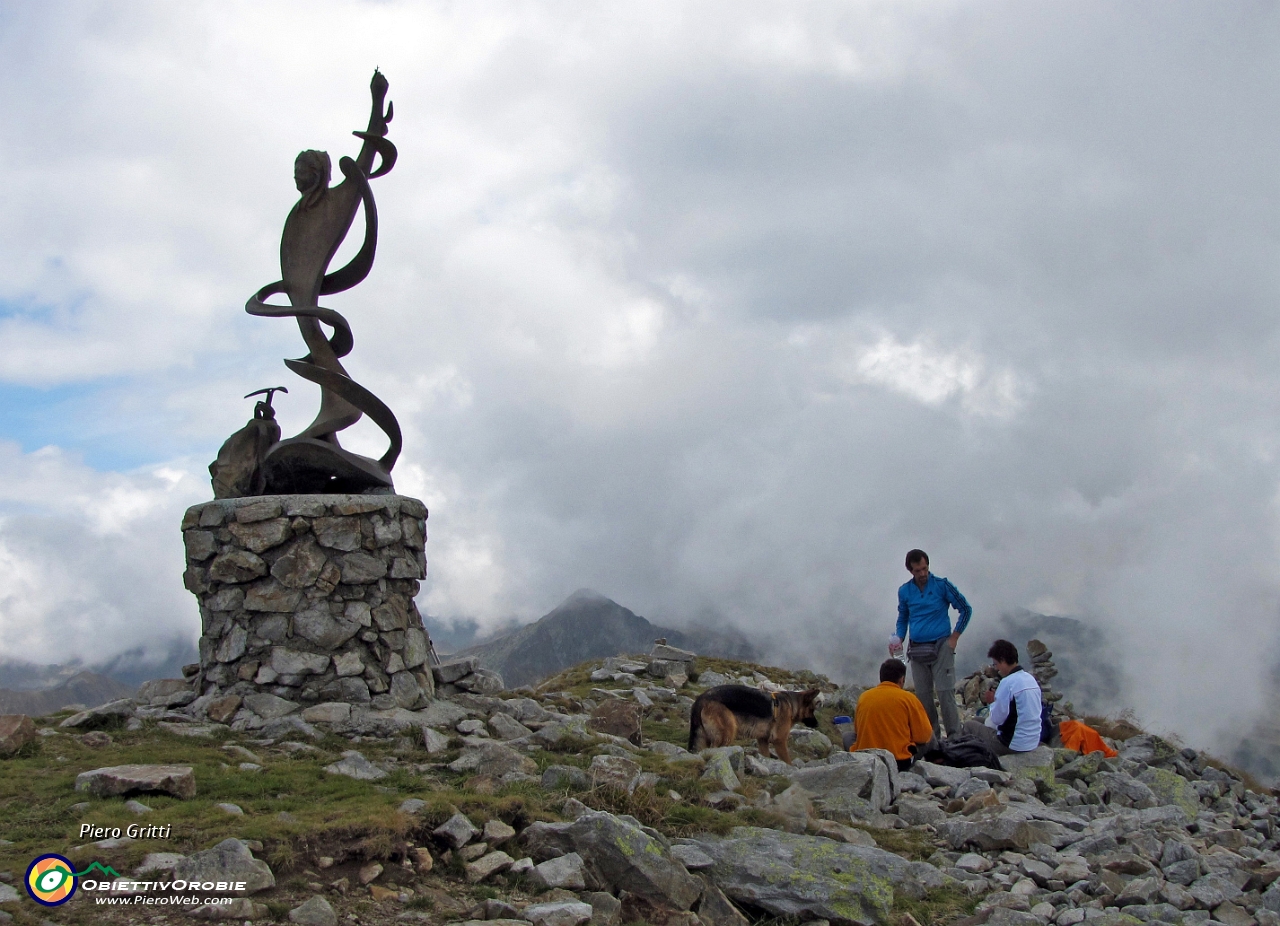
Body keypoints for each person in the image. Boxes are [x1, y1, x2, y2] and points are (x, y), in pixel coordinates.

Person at [889, 549, 971, 739]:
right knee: (923, 696)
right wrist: (899, 638)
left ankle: (954, 737)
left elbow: (965, 609)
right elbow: (903, 617)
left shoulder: (942, 585)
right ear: (911, 571)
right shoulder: (905, 591)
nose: (923, 573)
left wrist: (954, 638)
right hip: (917, 648)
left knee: (945, 693)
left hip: (942, 644)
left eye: (925, 568)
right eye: (918, 570)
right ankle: (931, 738)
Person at [961, 639, 1043, 756]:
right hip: (1032, 740)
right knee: (977, 721)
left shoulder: (1008, 683)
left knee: (969, 725)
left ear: (1003, 660)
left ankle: (969, 759)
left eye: (996, 664)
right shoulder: (1030, 679)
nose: (996, 668)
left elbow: (996, 719)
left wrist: (992, 703)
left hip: (1013, 744)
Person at [853, 658, 935, 771]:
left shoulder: (864, 697)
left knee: (848, 737)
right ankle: (935, 763)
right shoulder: (908, 698)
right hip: (898, 762)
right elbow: (923, 736)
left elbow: (858, 732)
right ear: (901, 680)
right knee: (931, 736)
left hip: (867, 760)